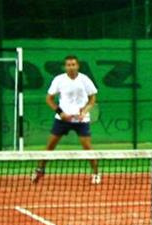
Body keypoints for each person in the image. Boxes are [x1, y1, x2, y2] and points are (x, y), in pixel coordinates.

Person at [33, 55, 101, 183]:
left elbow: (92, 99)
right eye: (68, 65)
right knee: (50, 146)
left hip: (81, 121)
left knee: (87, 148)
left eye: (73, 64)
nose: (71, 67)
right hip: (62, 120)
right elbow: (49, 99)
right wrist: (61, 113)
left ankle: (96, 173)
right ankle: (40, 170)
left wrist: (84, 112)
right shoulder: (59, 80)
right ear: (65, 67)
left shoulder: (85, 80)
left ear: (78, 66)